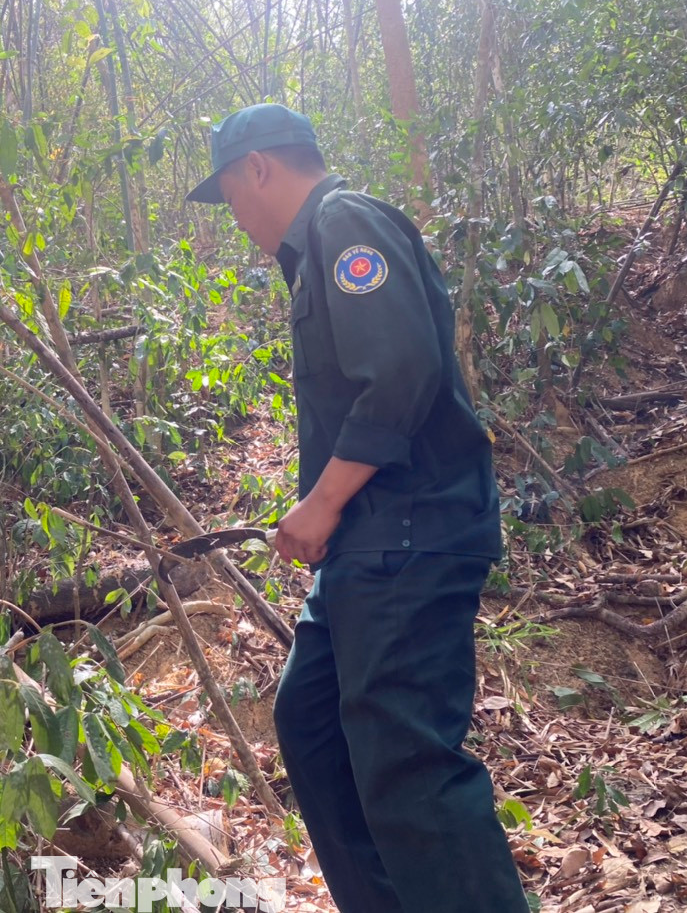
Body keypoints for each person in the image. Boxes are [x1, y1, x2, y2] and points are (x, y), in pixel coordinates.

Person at [187, 103, 529, 912]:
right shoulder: (312, 256)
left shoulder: (344, 222)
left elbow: (401, 371)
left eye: (231, 195)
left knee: (407, 760)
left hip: (410, 533)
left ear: (260, 169)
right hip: (368, 547)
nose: (235, 218)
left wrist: (321, 503)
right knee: (312, 727)